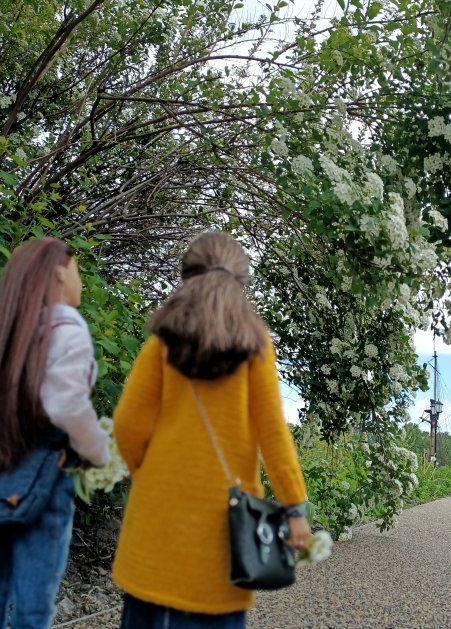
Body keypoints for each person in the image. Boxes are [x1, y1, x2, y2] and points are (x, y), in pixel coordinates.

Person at [112, 231, 310, 628]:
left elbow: (127, 427)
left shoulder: (161, 343)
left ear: (187, 277)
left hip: (154, 539)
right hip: (224, 543)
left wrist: (151, 477)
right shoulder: (255, 346)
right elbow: (273, 435)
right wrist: (294, 508)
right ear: (240, 281)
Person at [0, 237, 110, 629]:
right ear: (61, 272)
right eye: (78, 268)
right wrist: (98, 451)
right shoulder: (69, 328)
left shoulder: (11, 332)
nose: (79, 279)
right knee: (35, 592)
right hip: (44, 477)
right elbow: (66, 406)